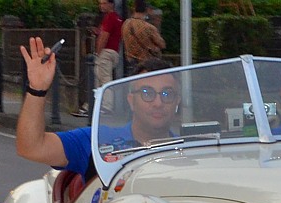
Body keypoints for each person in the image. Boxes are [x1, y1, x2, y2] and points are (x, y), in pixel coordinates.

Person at [17, 37, 177, 179]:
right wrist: (37, 89)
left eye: (167, 94)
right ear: (131, 100)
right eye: (146, 93)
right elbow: (32, 147)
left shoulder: (191, 148)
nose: (158, 102)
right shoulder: (98, 140)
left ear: (177, 101)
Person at [85, 0, 123, 114]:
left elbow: (104, 36)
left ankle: (106, 105)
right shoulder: (117, 18)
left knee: (104, 78)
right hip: (114, 51)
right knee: (100, 78)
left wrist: (97, 52)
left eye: (104, 3)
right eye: (100, 3)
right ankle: (96, 104)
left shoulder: (109, 18)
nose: (101, 6)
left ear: (111, 4)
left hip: (105, 52)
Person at [122, 0, 166, 76]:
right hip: (146, 63)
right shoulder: (148, 27)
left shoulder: (125, 24)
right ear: (147, 10)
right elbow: (162, 45)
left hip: (130, 61)